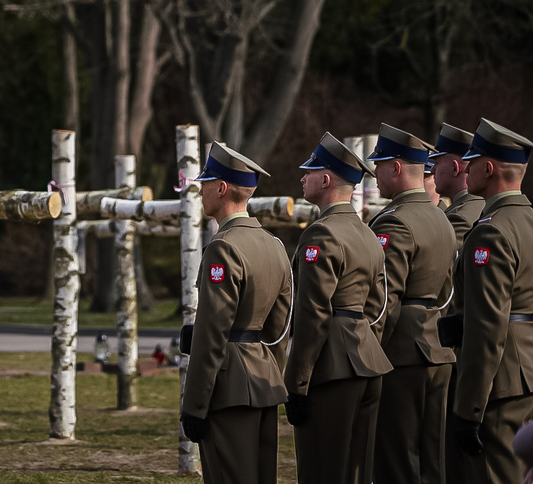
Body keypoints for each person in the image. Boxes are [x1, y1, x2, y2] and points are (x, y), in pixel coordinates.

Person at [180, 142, 291, 484]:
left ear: (221, 188)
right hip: (263, 381)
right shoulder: (275, 245)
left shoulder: (223, 247)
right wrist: (269, 373)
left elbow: (212, 333)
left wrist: (195, 405)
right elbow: (280, 326)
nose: (200, 192)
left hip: (228, 389)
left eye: (204, 184)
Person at [284, 132, 392, 484]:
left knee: (322, 471)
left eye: (309, 171)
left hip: (332, 369)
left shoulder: (321, 234)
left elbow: (312, 315)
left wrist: (297, 383)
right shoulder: (368, 233)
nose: (302, 177)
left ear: (326, 179)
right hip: (367, 361)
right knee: (356, 472)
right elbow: (378, 307)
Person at [366, 123, 457, 484]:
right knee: (431, 460)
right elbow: (449, 289)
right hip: (438, 348)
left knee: (396, 460)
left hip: (402, 353)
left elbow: (383, 301)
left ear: (397, 168)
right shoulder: (441, 217)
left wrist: (368, 353)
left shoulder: (395, 222)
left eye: (379, 164)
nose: (374, 172)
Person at [452, 118, 533, 484]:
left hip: (501, 382)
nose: (465, 168)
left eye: (472, 161)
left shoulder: (492, 231)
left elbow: (487, 327)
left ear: (489, 168)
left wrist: (469, 408)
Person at [430, 122, 485, 484]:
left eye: (435, 162)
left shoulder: (462, 219)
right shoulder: (474, 211)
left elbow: (450, 290)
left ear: (454, 166)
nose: (431, 171)